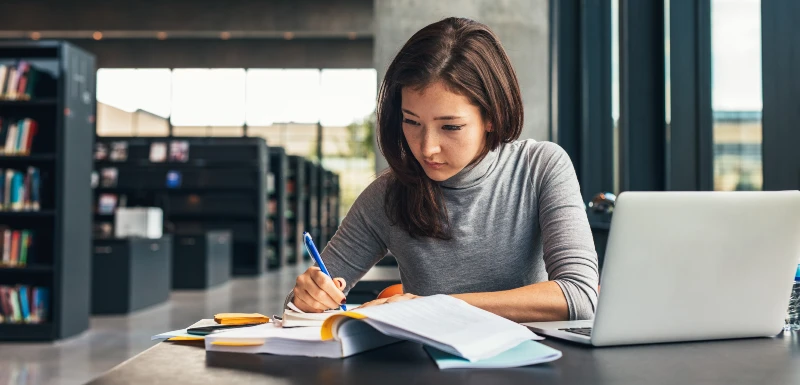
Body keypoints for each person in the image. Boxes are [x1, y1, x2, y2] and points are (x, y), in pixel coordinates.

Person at [287, 17, 598, 322]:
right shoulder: (387, 195)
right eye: (411, 122)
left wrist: (433, 306)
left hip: (532, 368)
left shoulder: (539, 167)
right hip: (430, 370)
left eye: (450, 126)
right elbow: (296, 309)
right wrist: (307, 298)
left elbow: (580, 296)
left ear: (492, 116)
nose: (426, 148)